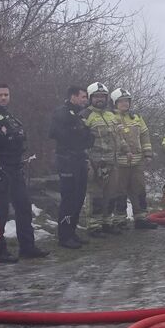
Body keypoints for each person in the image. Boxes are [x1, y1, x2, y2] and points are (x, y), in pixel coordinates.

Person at [0, 83, 49, 262]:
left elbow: (19, 137)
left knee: (24, 208)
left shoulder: (10, 116)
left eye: (6, 95)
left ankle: (27, 247)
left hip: (15, 168)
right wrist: (2, 135)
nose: (3, 98)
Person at [49, 85, 93, 249]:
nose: (85, 100)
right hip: (67, 161)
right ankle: (64, 236)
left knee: (79, 198)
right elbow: (57, 134)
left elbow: (88, 138)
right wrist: (79, 136)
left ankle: (72, 232)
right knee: (68, 199)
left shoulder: (79, 115)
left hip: (80, 159)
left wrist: (81, 136)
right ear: (73, 96)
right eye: (83, 97)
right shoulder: (62, 113)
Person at [110, 88, 156, 229]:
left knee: (139, 189)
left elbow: (145, 135)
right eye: (121, 101)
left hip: (137, 161)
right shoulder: (111, 117)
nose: (125, 104)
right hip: (119, 162)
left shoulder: (136, 117)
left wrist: (147, 153)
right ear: (114, 103)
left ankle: (141, 218)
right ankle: (119, 220)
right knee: (120, 191)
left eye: (127, 101)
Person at [82, 82, 120, 237]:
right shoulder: (85, 115)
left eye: (103, 97)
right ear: (91, 98)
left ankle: (107, 222)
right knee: (95, 194)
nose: (100, 99)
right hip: (95, 161)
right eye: (97, 96)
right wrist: (86, 161)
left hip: (112, 161)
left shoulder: (111, 115)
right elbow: (81, 140)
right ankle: (94, 225)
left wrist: (124, 149)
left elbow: (118, 136)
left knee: (111, 194)